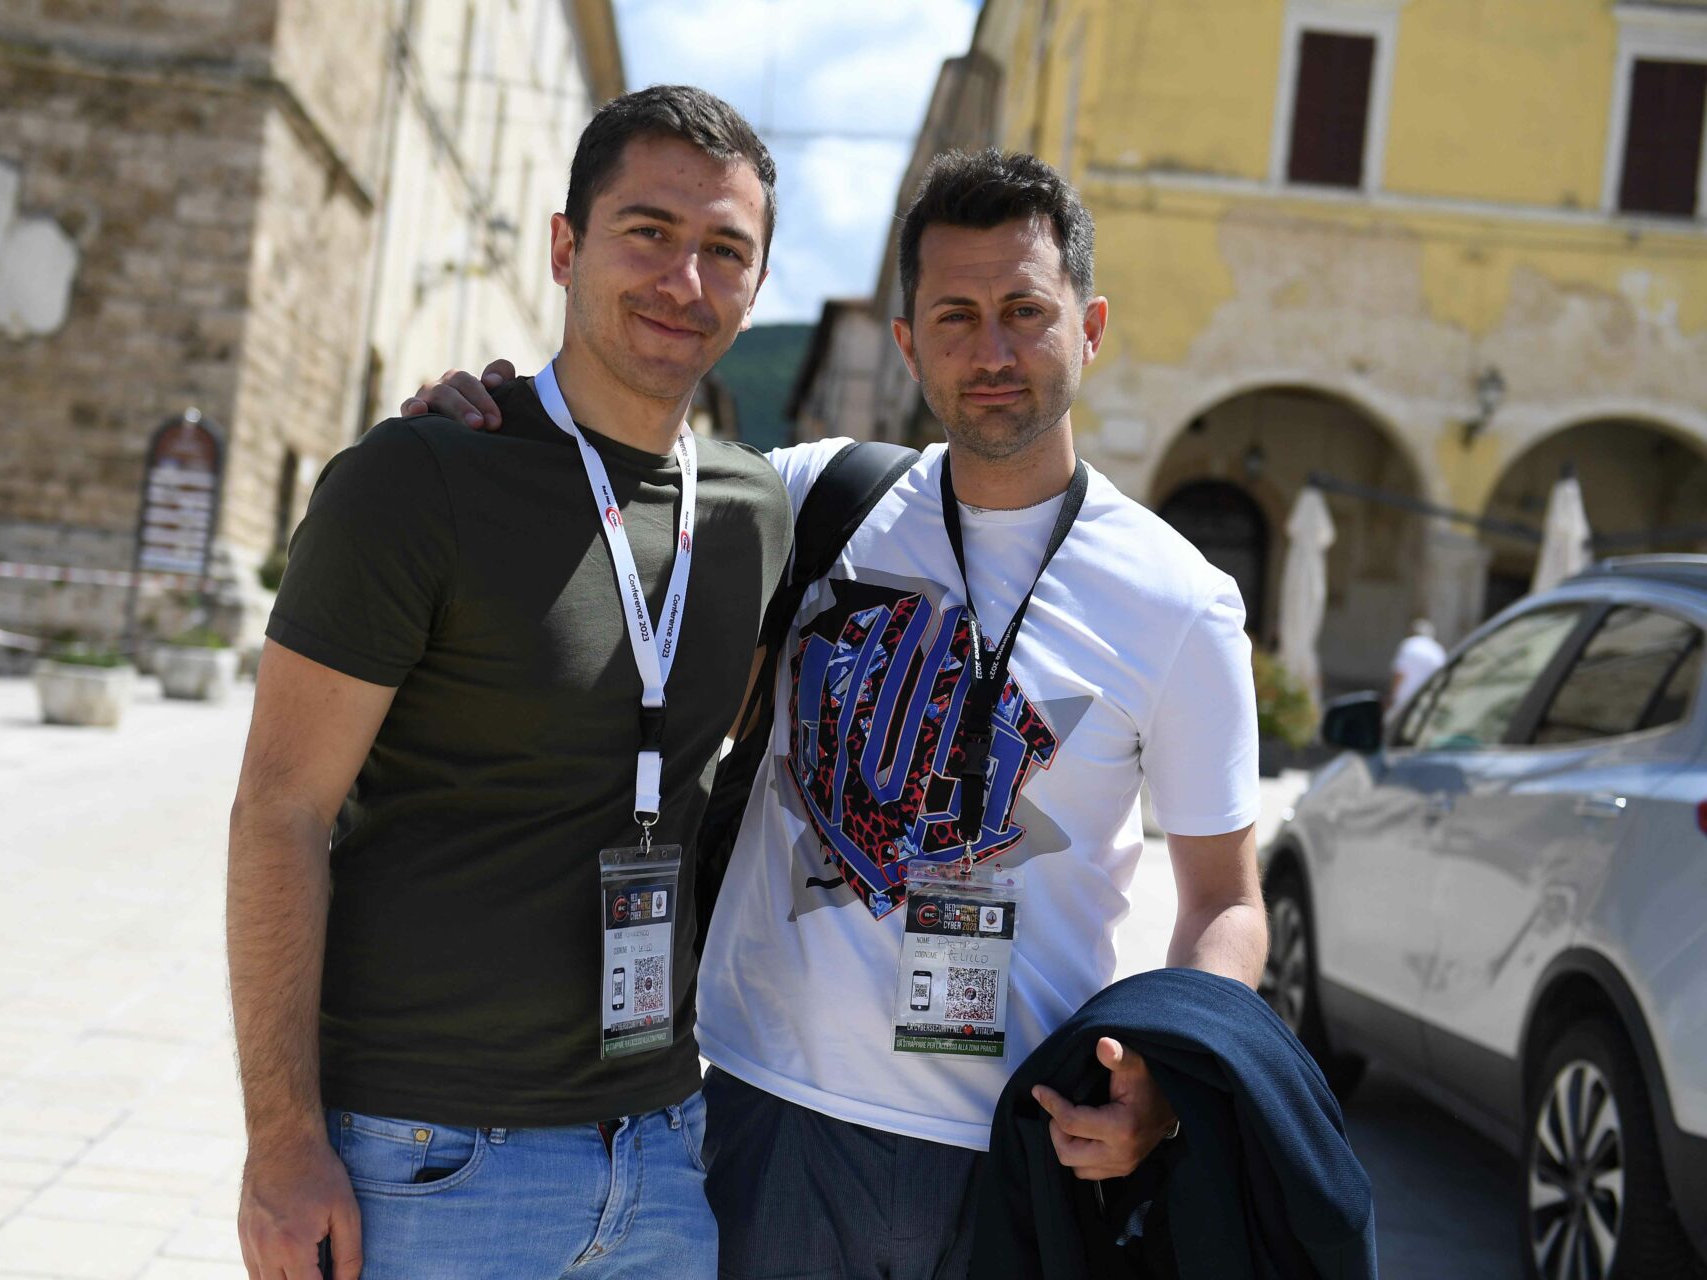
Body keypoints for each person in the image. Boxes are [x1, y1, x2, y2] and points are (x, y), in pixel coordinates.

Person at [410, 148, 1268, 1278]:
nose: (992, 351)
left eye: (1025, 311)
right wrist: (489, 436)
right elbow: (613, 504)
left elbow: (1224, 899)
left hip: (1018, 1145)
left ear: (1090, 326)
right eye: (955, 317)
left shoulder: (1181, 602)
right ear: (907, 343)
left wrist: (1171, 1078)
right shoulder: (815, 496)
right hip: (763, 1119)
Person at [227, 86, 792, 1280]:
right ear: (564, 246)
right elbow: (280, 810)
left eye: (725, 250)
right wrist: (280, 1142)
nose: (684, 279)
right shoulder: (420, 477)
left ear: (755, 287)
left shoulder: (757, 514)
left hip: (661, 1156)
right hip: (425, 1160)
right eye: (648, 231)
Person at [1388, 617, 1446, 716]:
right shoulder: (1438, 650)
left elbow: (1399, 674)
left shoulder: (1409, 645)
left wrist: (1392, 697)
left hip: (1405, 699)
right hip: (1427, 700)